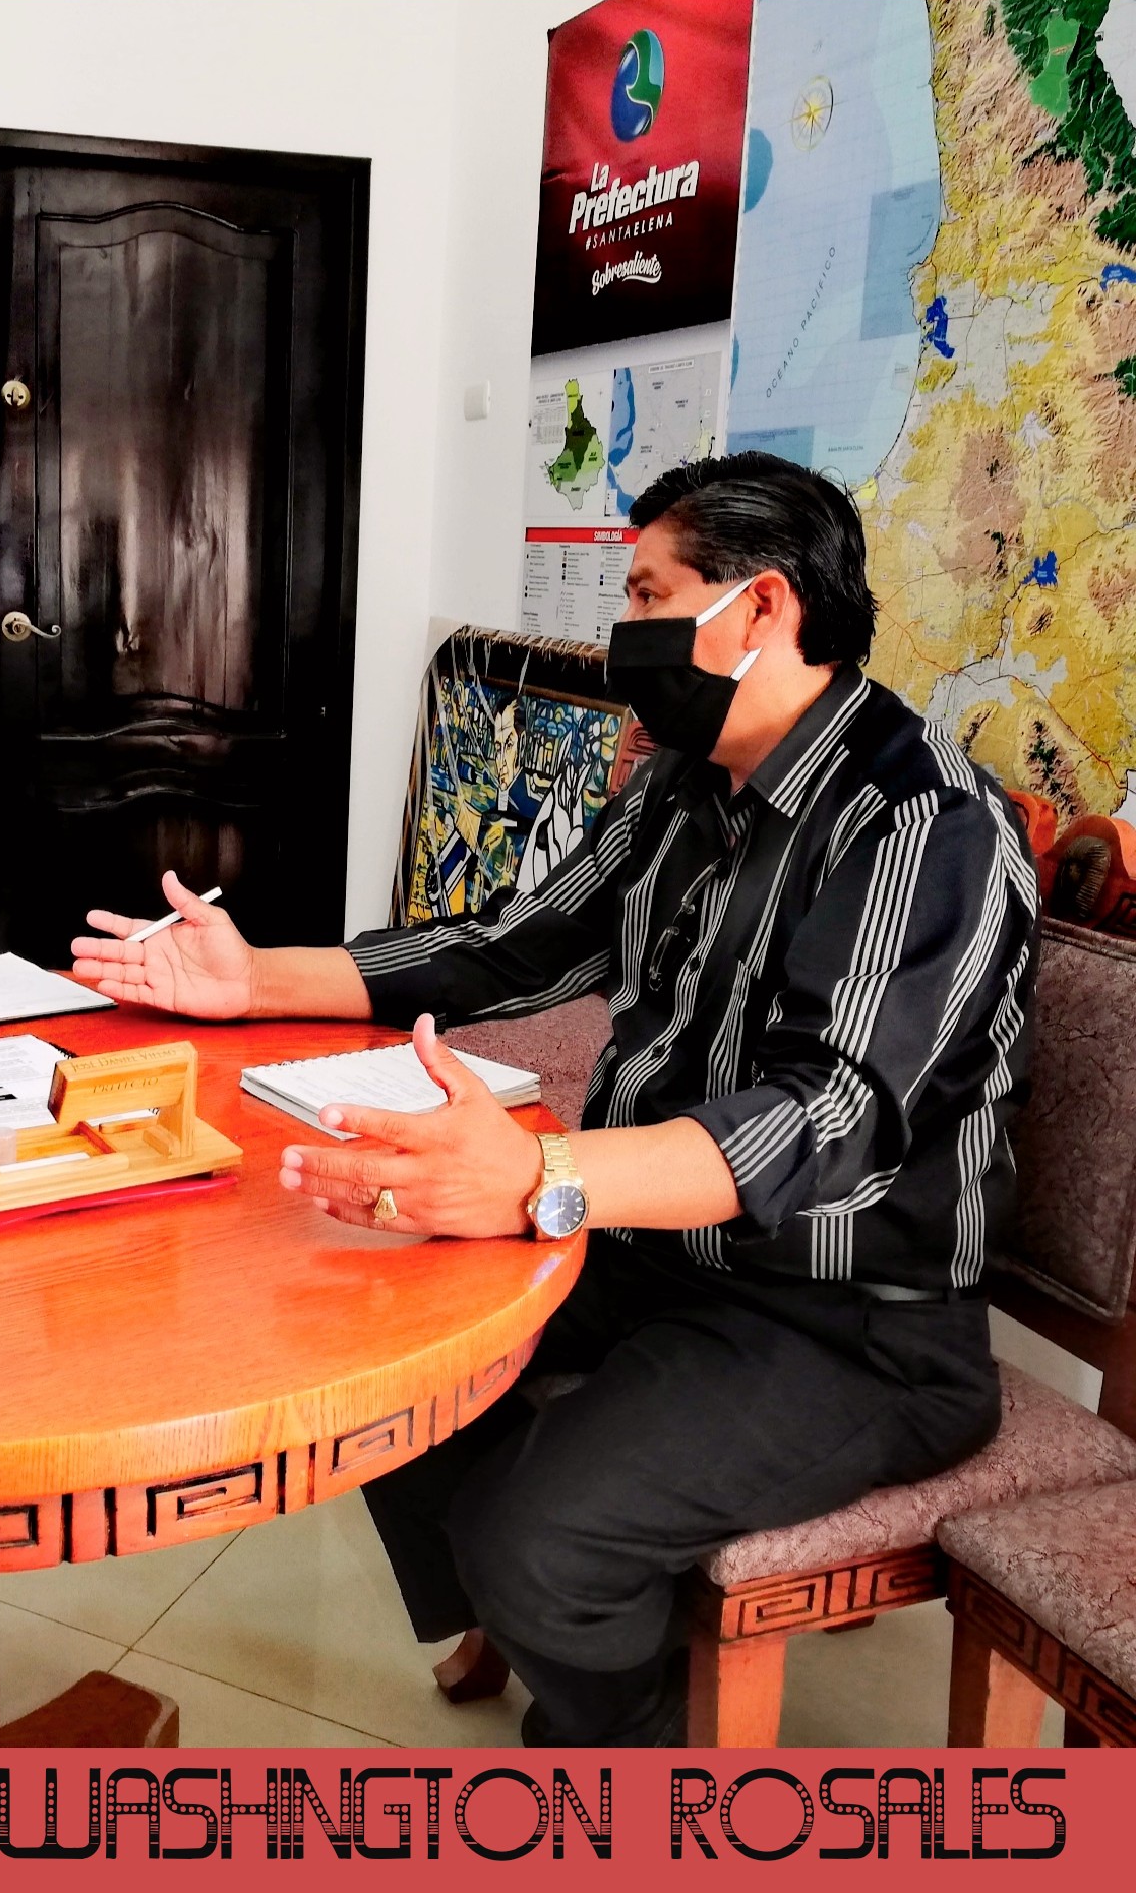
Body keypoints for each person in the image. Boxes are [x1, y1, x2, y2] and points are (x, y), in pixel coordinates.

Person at [71, 452, 1039, 1747]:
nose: (623, 631)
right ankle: (558, 1624)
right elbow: (508, 946)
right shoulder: (686, 785)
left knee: (535, 1537)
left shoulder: (922, 823)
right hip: (655, 1246)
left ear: (760, 606)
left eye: (647, 595)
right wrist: (250, 981)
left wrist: (542, 1176)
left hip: (848, 1317)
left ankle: (627, 1740)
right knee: (371, 1350)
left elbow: (826, 1116)